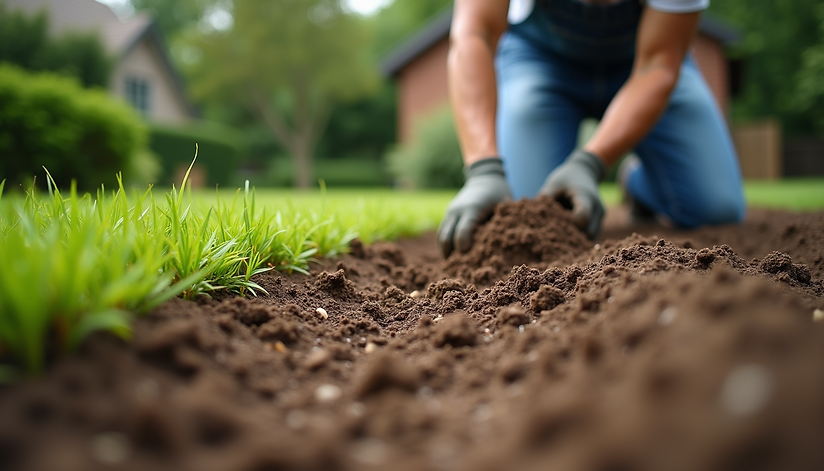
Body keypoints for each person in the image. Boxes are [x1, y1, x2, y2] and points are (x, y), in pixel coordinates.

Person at [437, 0, 746, 258]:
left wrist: (590, 163)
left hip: (651, 58)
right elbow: (473, 34)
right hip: (540, 61)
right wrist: (484, 169)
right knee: (528, 215)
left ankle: (638, 184)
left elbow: (659, 64)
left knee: (717, 208)